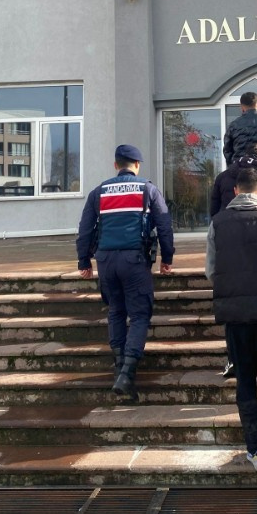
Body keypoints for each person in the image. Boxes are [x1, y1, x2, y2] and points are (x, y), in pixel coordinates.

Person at [206, 167, 257, 472]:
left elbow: (211, 270)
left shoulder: (218, 223)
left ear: (235, 191)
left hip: (235, 314)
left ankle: (255, 450)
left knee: (244, 378)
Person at [76, 144, 174, 402]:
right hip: (135, 260)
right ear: (137, 165)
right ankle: (127, 373)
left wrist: (83, 261)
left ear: (115, 165)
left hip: (106, 261)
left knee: (116, 311)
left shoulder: (98, 192)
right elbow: (164, 225)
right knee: (140, 315)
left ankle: (120, 368)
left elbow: (85, 229)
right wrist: (168, 258)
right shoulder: (148, 189)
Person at [209, 142, 257, 379]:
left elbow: (213, 209)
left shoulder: (223, 176)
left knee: (235, 322)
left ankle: (234, 362)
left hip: (228, 237)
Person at [209, 143, 257, 218]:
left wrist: (218, 223)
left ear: (246, 156)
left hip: (227, 223)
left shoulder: (222, 176)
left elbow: (214, 207)